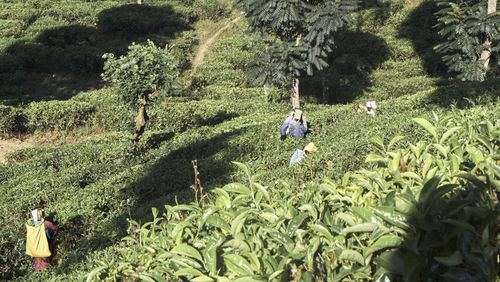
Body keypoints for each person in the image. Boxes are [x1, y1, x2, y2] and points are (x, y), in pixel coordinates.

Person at [31, 208, 58, 273]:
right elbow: (56, 229)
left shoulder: (34, 226)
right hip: (44, 246)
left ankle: (39, 273)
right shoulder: (46, 223)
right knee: (44, 260)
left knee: (39, 261)